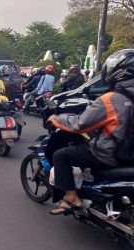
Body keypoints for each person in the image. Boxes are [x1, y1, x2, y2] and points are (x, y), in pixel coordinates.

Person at [47, 49, 134, 215]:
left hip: (109, 155)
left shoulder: (111, 99)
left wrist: (56, 118)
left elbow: (80, 125)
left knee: (61, 155)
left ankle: (71, 197)